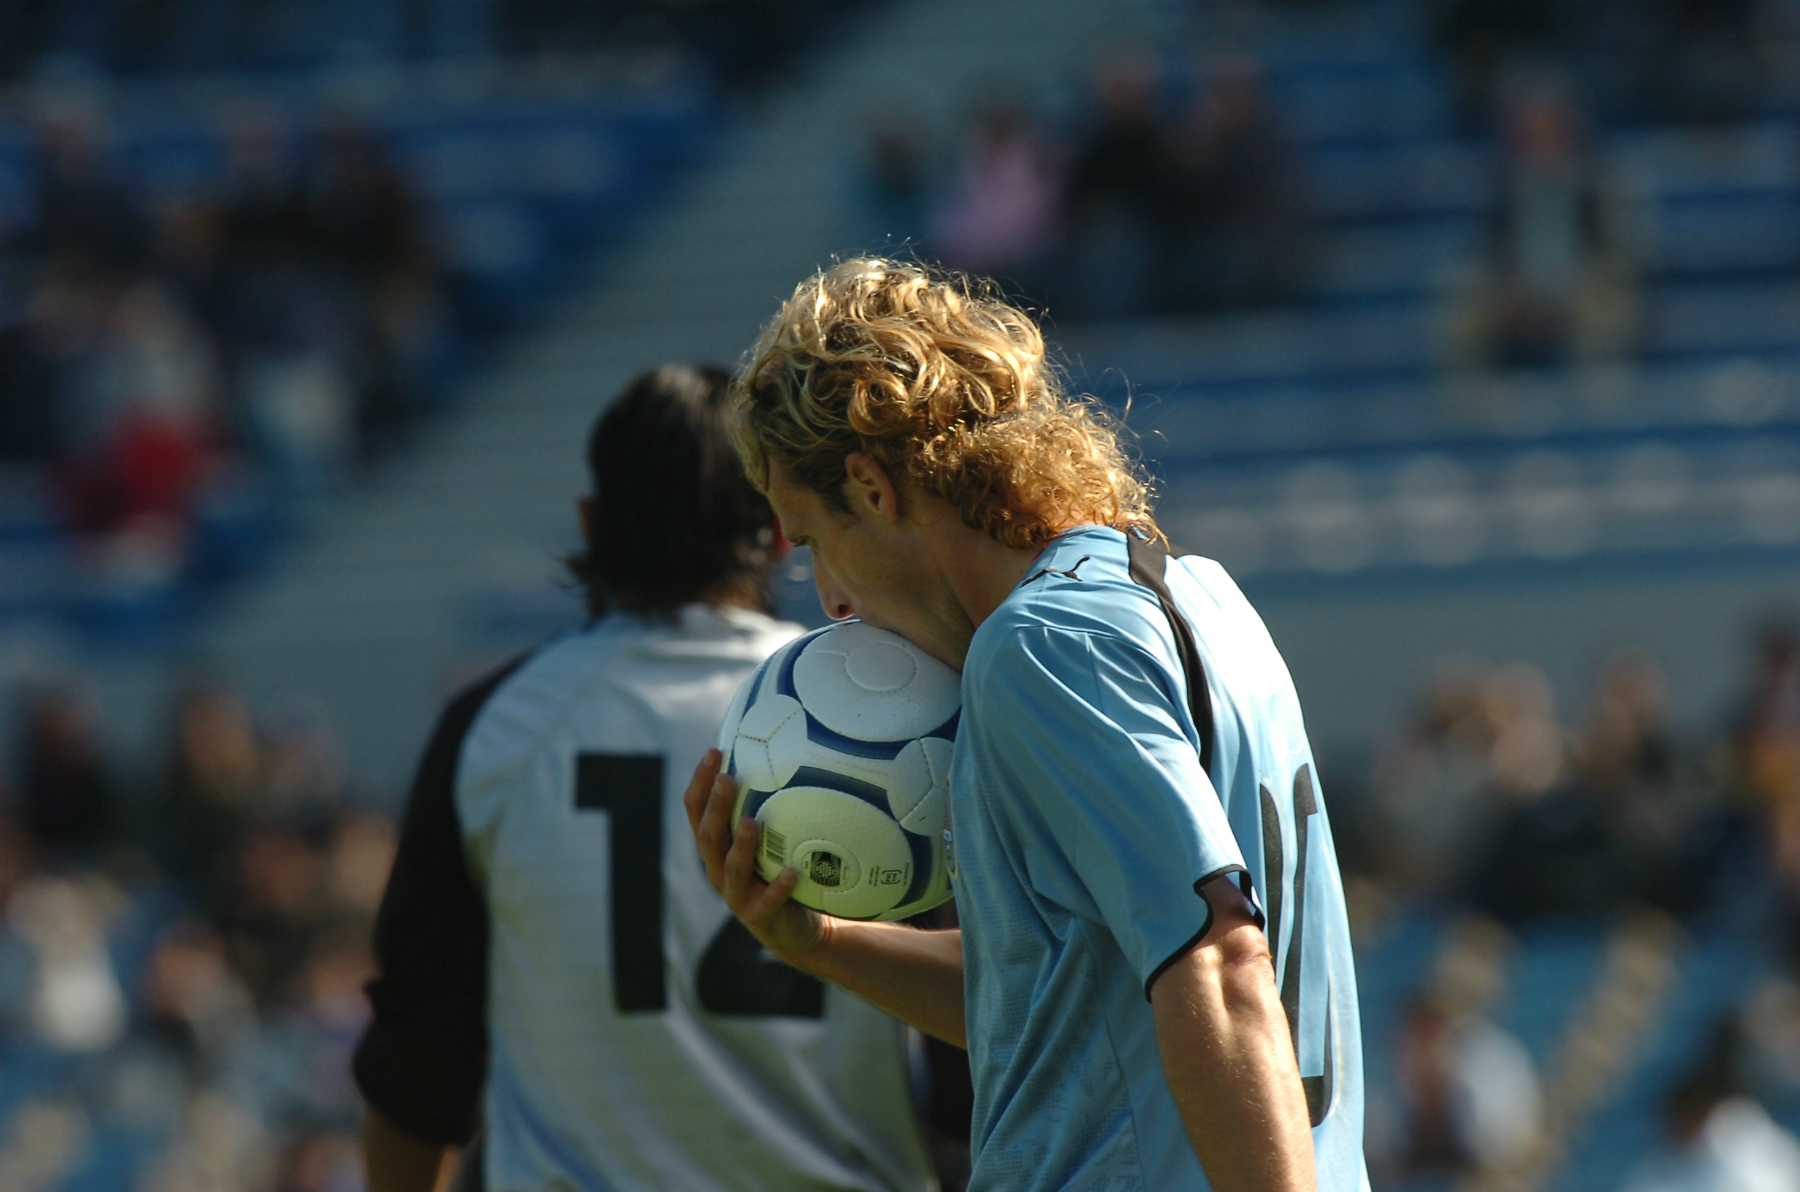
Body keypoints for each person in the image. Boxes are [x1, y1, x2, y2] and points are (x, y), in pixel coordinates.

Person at [688, 259, 1366, 1191]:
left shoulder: (1038, 649)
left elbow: (1218, 962)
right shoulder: (1200, 595)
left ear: (873, 487)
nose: (832, 600)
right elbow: (1075, 1008)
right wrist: (822, 943)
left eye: (812, 543)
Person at [354, 364, 938, 1192]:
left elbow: (419, 1059)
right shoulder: (887, 720)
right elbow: (979, 1052)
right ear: (779, 531)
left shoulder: (497, 729)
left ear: (591, 526)